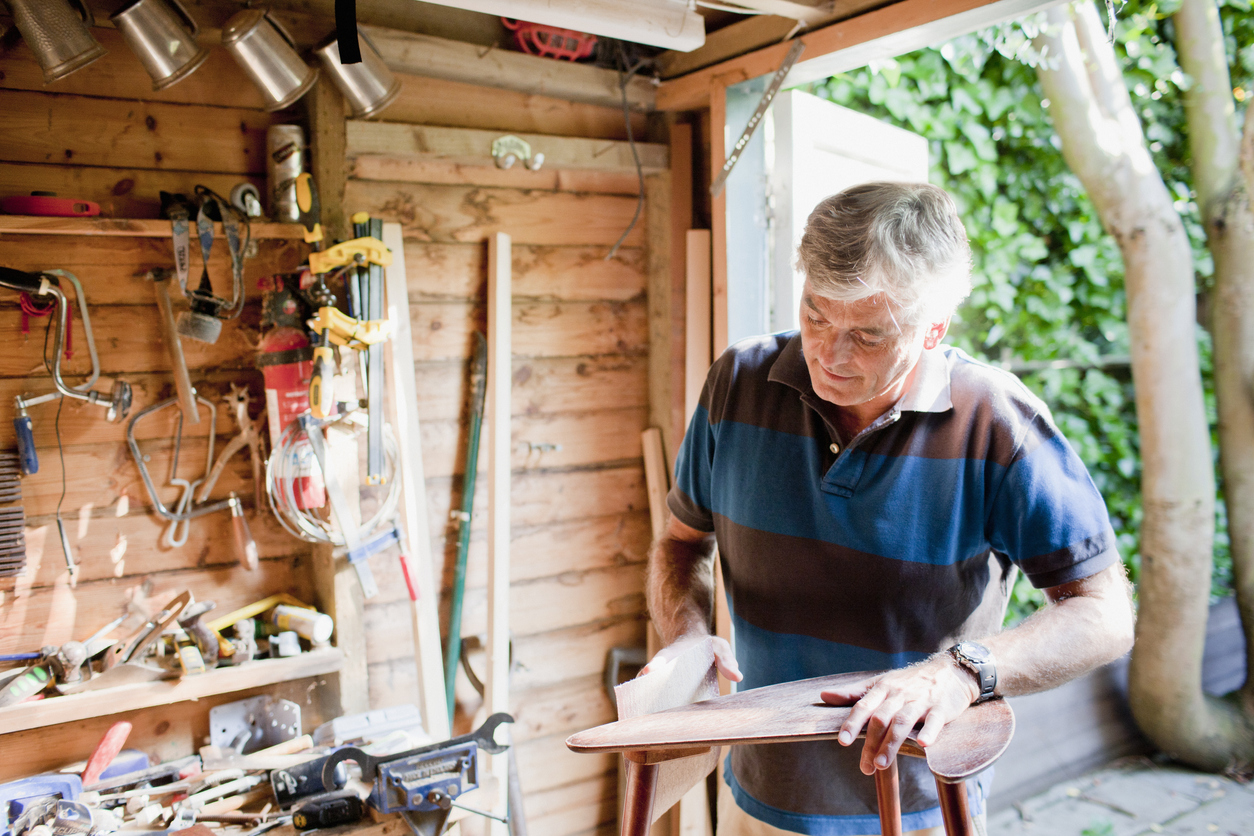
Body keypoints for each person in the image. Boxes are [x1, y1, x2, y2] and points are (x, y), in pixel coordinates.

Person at [645, 182, 1136, 836]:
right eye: (816, 315)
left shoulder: (996, 422)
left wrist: (963, 673)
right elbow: (682, 543)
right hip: (759, 792)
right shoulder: (738, 383)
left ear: (934, 328)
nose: (829, 353)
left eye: (868, 335)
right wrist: (684, 633)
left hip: (918, 805)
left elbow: (1104, 616)